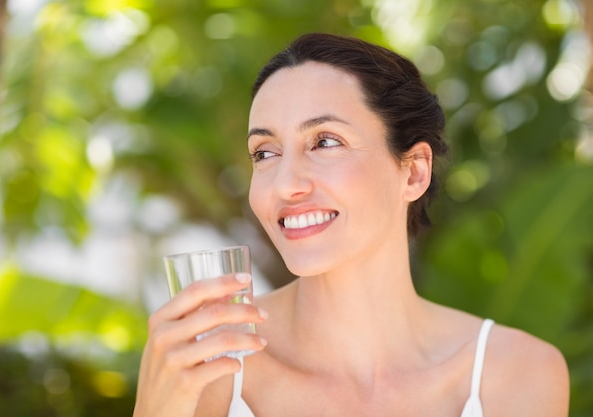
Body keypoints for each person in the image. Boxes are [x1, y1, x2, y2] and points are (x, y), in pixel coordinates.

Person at [133, 33, 570, 417]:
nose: (285, 185)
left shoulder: (517, 376)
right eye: (265, 152)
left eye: (325, 141)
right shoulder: (208, 371)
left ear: (414, 172)